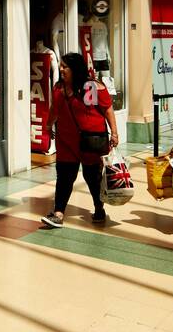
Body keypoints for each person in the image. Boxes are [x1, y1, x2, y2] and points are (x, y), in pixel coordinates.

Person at [41, 52, 119, 229]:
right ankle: (58, 213)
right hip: (66, 141)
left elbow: (106, 109)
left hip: (90, 140)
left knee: (92, 177)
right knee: (65, 177)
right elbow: (55, 109)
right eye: (60, 66)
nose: (61, 69)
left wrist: (114, 133)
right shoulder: (59, 88)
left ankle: (99, 208)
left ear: (75, 69)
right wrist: (48, 126)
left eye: (64, 66)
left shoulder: (91, 87)